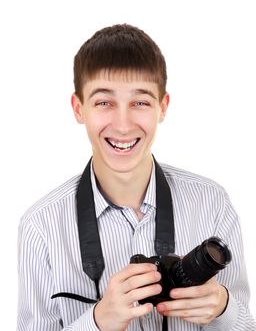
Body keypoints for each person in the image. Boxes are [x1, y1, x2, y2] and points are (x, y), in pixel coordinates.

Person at [17, 24, 255, 331]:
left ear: (162, 107)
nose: (123, 124)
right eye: (104, 102)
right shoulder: (41, 226)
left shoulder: (212, 203)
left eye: (140, 102)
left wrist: (223, 308)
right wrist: (97, 322)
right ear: (79, 109)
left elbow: (247, 325)